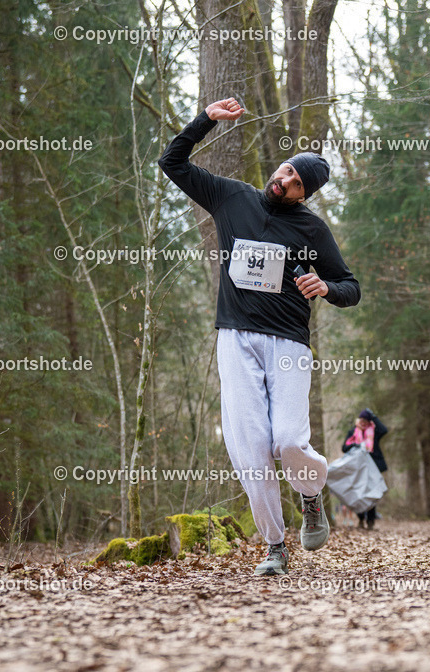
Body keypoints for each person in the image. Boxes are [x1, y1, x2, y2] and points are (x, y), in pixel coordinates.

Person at [158, 98, 361, 576]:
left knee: (288, 440)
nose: (285, 181)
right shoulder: (232, 197)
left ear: (303, 195)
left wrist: (326, 287)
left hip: (289, 343)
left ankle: (311, 494)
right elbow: (172, 162)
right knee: (250, 449)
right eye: (287, 171)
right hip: (235, 337)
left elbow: (351, 288)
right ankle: (274, 546)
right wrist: (207, 118)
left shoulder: (312, 228)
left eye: (296, 185)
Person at [341, 408, 388, 529]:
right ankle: (361, 518)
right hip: (358, 468)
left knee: (371, 494)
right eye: (362, 420)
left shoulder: (374, 431)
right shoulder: (353, 432)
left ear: (369, 421)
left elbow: (384, 430)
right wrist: (354, 445)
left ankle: (371, 521)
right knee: (358, 493)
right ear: (359, 420)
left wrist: (374, 417)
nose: (363, 423)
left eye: (366, 420)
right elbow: (344, 448)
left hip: (373, 467)